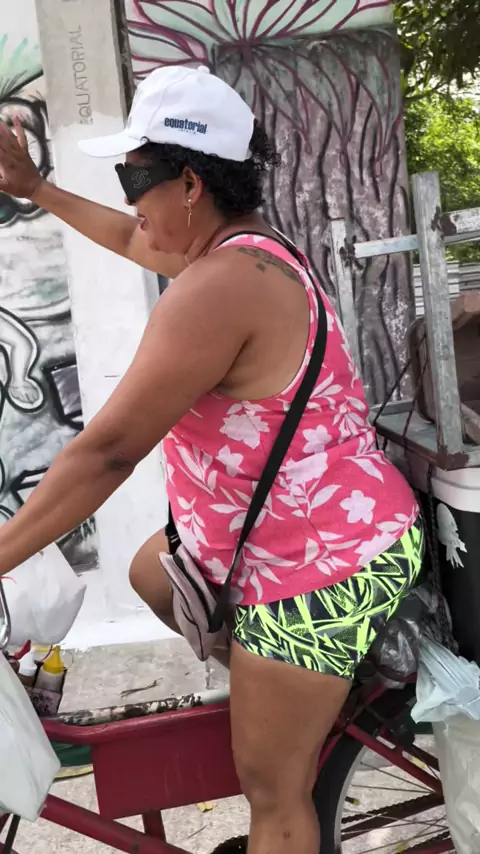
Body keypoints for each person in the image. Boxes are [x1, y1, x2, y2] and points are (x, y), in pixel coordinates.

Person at [0, 65, 424, 854]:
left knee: (273, 792)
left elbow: (107, 454)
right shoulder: (240, 251)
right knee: (151, 571)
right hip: (304, 533)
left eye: (134, 178)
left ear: (190, 182)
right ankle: (298, 697)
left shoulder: (222, 285)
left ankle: (292, 724)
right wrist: (36, 189)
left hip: (319, 566)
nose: (131, 201)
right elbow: (130, 239)